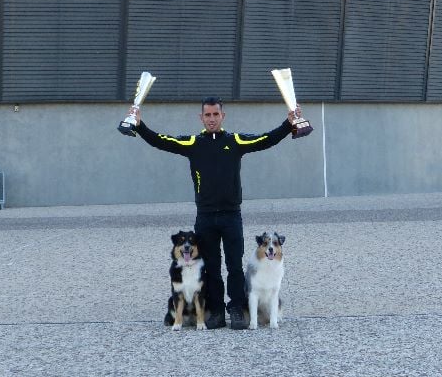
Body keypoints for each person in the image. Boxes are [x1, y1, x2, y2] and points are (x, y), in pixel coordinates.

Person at [121, 97, 310, 330]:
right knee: (210, 266)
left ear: (223, 116)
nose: (211, 119)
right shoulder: (193, 143)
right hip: (206, 216)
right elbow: (162, 141)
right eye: (207, 115)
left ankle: (237, 309)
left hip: (231, 215)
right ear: (201, 118)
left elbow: (265, 139)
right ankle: (216, 310)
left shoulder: (235, 141)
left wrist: (288, 123)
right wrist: (139, 125)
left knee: (233, 265)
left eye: (215, 115)